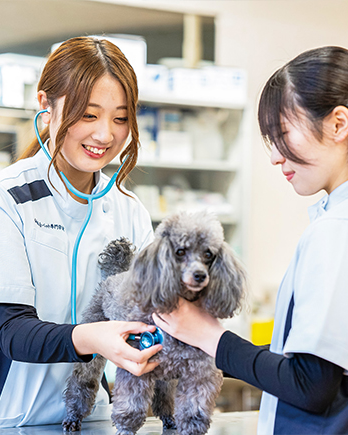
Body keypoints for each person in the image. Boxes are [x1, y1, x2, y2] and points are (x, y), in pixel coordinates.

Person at [0, 36, 162, 434]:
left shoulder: (128, 209)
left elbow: (153, 310)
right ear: (45, 106)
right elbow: (13, 333)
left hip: (82, 420)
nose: (105, 135)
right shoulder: (1, 200)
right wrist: (97, 337)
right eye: (88, 114)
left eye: (120, 118)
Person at [154, 46, 348, 435]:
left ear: (338, 124)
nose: (276, 157)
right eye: (269, 140)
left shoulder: (335, 230)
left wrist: (207, 333)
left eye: (283, 134)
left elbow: (311, 386)